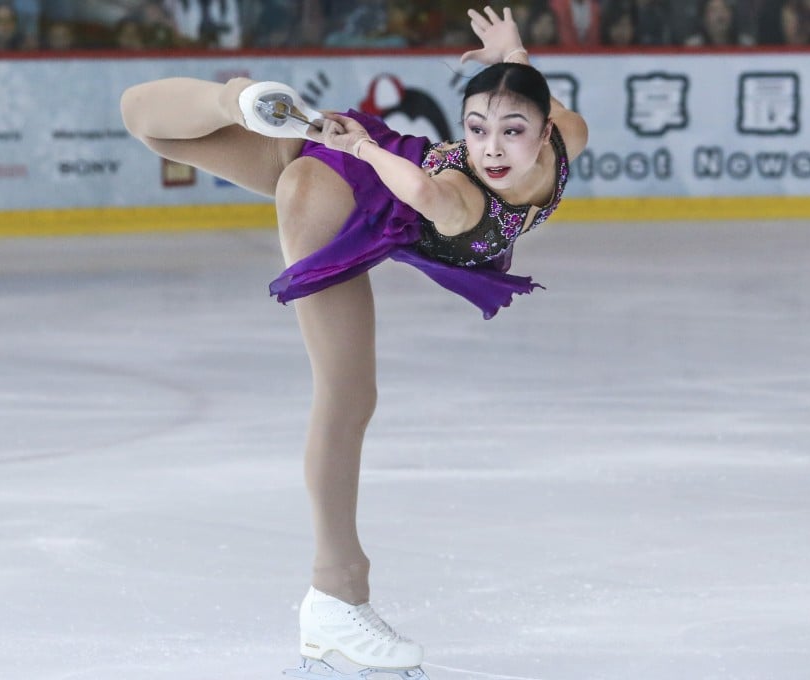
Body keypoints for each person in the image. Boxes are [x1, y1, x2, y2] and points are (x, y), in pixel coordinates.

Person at [119, 5, 587, 678]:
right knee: (346, 395)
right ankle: (335, 596)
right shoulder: (463, 194)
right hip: (341, 185)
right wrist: (361, 149)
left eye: (513, 130)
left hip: (367, 167)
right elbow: (427, 193)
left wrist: (514, 61)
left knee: (160, 131)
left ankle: (238, 101)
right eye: (477, 128)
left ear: (547, 134)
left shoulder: (569, 135)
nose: (491, 148)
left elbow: (544, 102)